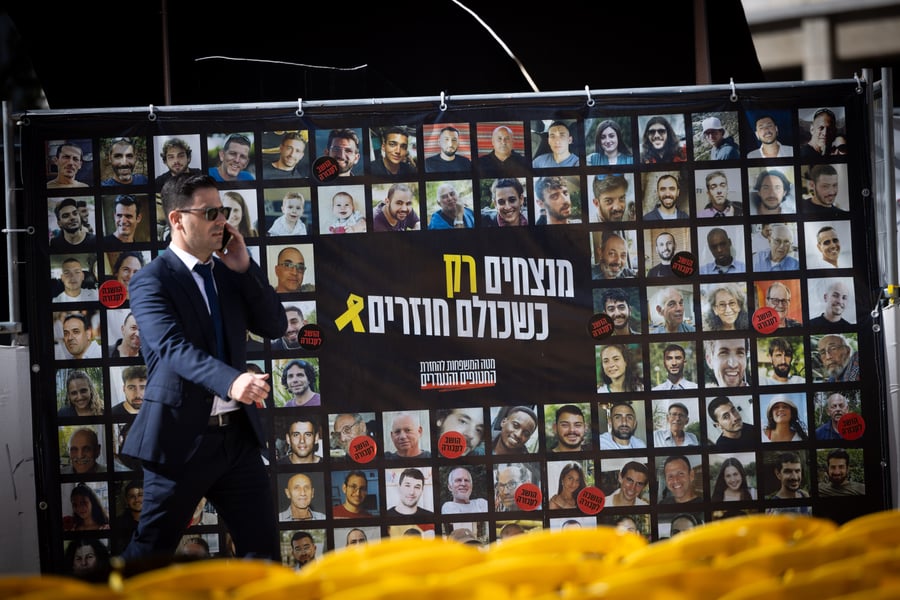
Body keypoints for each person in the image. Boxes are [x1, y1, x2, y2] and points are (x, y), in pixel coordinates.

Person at [119, 172, 287, 563]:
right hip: (180, 442)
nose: (222, 222)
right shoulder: (150, 281)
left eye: (224, 211)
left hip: (236, 442)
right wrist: (232, 382)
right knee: (149, 555)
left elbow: (275, 326)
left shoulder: (229, 271)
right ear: (178, 219)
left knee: (262, 556)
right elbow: (172, 349)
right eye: (211, 212)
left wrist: (246, 268)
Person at [113, 480, 143, 553]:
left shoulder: (157, 520)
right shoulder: (118, 523)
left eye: (140, 495)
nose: (136, 500)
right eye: (132, 496)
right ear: (126, 500)